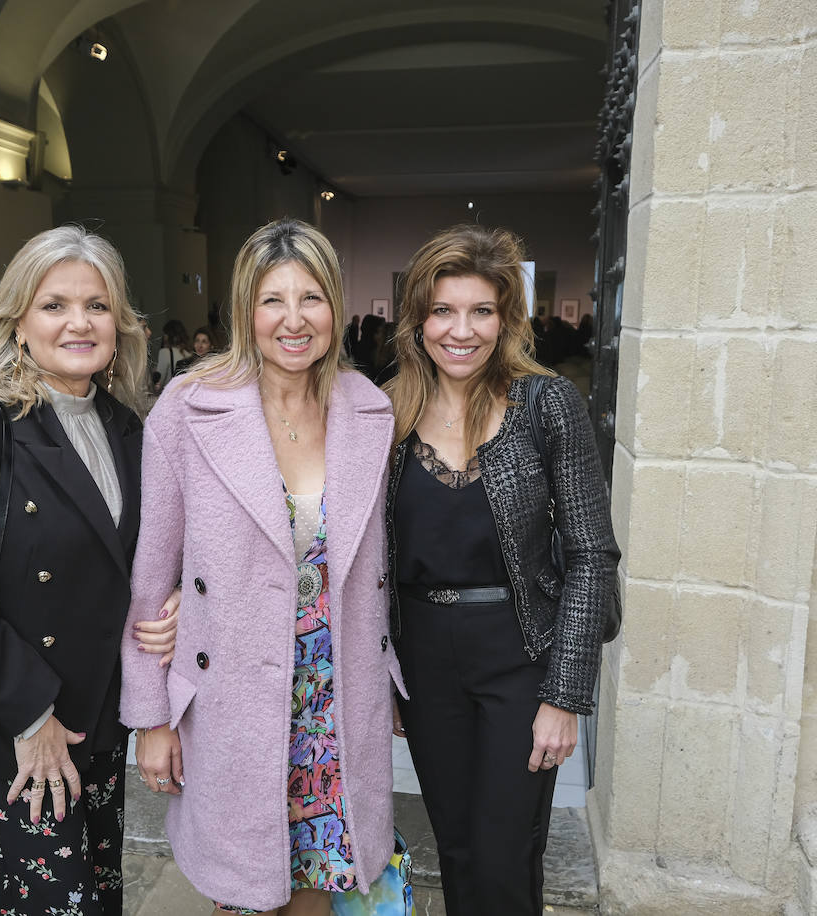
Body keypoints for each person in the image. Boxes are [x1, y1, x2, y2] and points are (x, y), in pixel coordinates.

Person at [121, 218, 403, 916]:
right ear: (246, 308)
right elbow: (152, 573)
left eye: (312, 298)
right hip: (234, 705)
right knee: (244, 897)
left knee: (318, 889)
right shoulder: (188, 409)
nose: (294, 319)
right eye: (273, 299)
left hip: (334, 700)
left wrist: (393, 677)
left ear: (336, 307)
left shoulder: (370, 409)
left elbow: (383, 567)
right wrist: (151, 718)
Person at [0, 225, 180, 915]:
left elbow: (135, 563)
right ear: (18, 322)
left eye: (98, 305)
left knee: (99, 897)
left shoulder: (128, 427)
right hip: (16, 730)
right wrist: (31, 715)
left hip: (99, 724)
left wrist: (176, 604)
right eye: (55, 305)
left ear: (120, 322)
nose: (79, 322)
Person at [384, 224, 619, 914]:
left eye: (481, 311)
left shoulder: (548, 405)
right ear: (418, 320)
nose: (462, 331)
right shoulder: (384, 410)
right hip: (425, 659)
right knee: (454, 845)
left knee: (506, 848)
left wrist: (566, 695)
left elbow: (590, 553)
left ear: (506, 317)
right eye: (443, 311)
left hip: (521, 653)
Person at [154, 319, 194, 390]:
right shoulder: (190, 353)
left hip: (170, 396)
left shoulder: (165, 352)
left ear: (168, 335)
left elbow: (159, 383)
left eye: (165, 334)